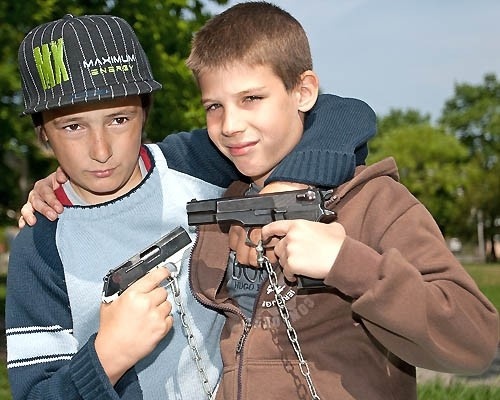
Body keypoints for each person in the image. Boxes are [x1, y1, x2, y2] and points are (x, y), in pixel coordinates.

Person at [7, 12, 377, 400]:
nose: (100, 150)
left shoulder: (198, 161)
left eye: (118, 119)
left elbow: (343, 114)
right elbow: (35, 393)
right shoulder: (41, 245)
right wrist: (107, 357)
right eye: (73, 127)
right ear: (42, 133)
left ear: (144, 111)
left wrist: (290, 181)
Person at [183, 2, 499, 399]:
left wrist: (346, 263)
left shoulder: (374, 202)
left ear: (303, 92)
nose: (230, 125)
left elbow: (477, 342)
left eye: (252, 98)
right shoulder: (220, 207)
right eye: (214, 106)